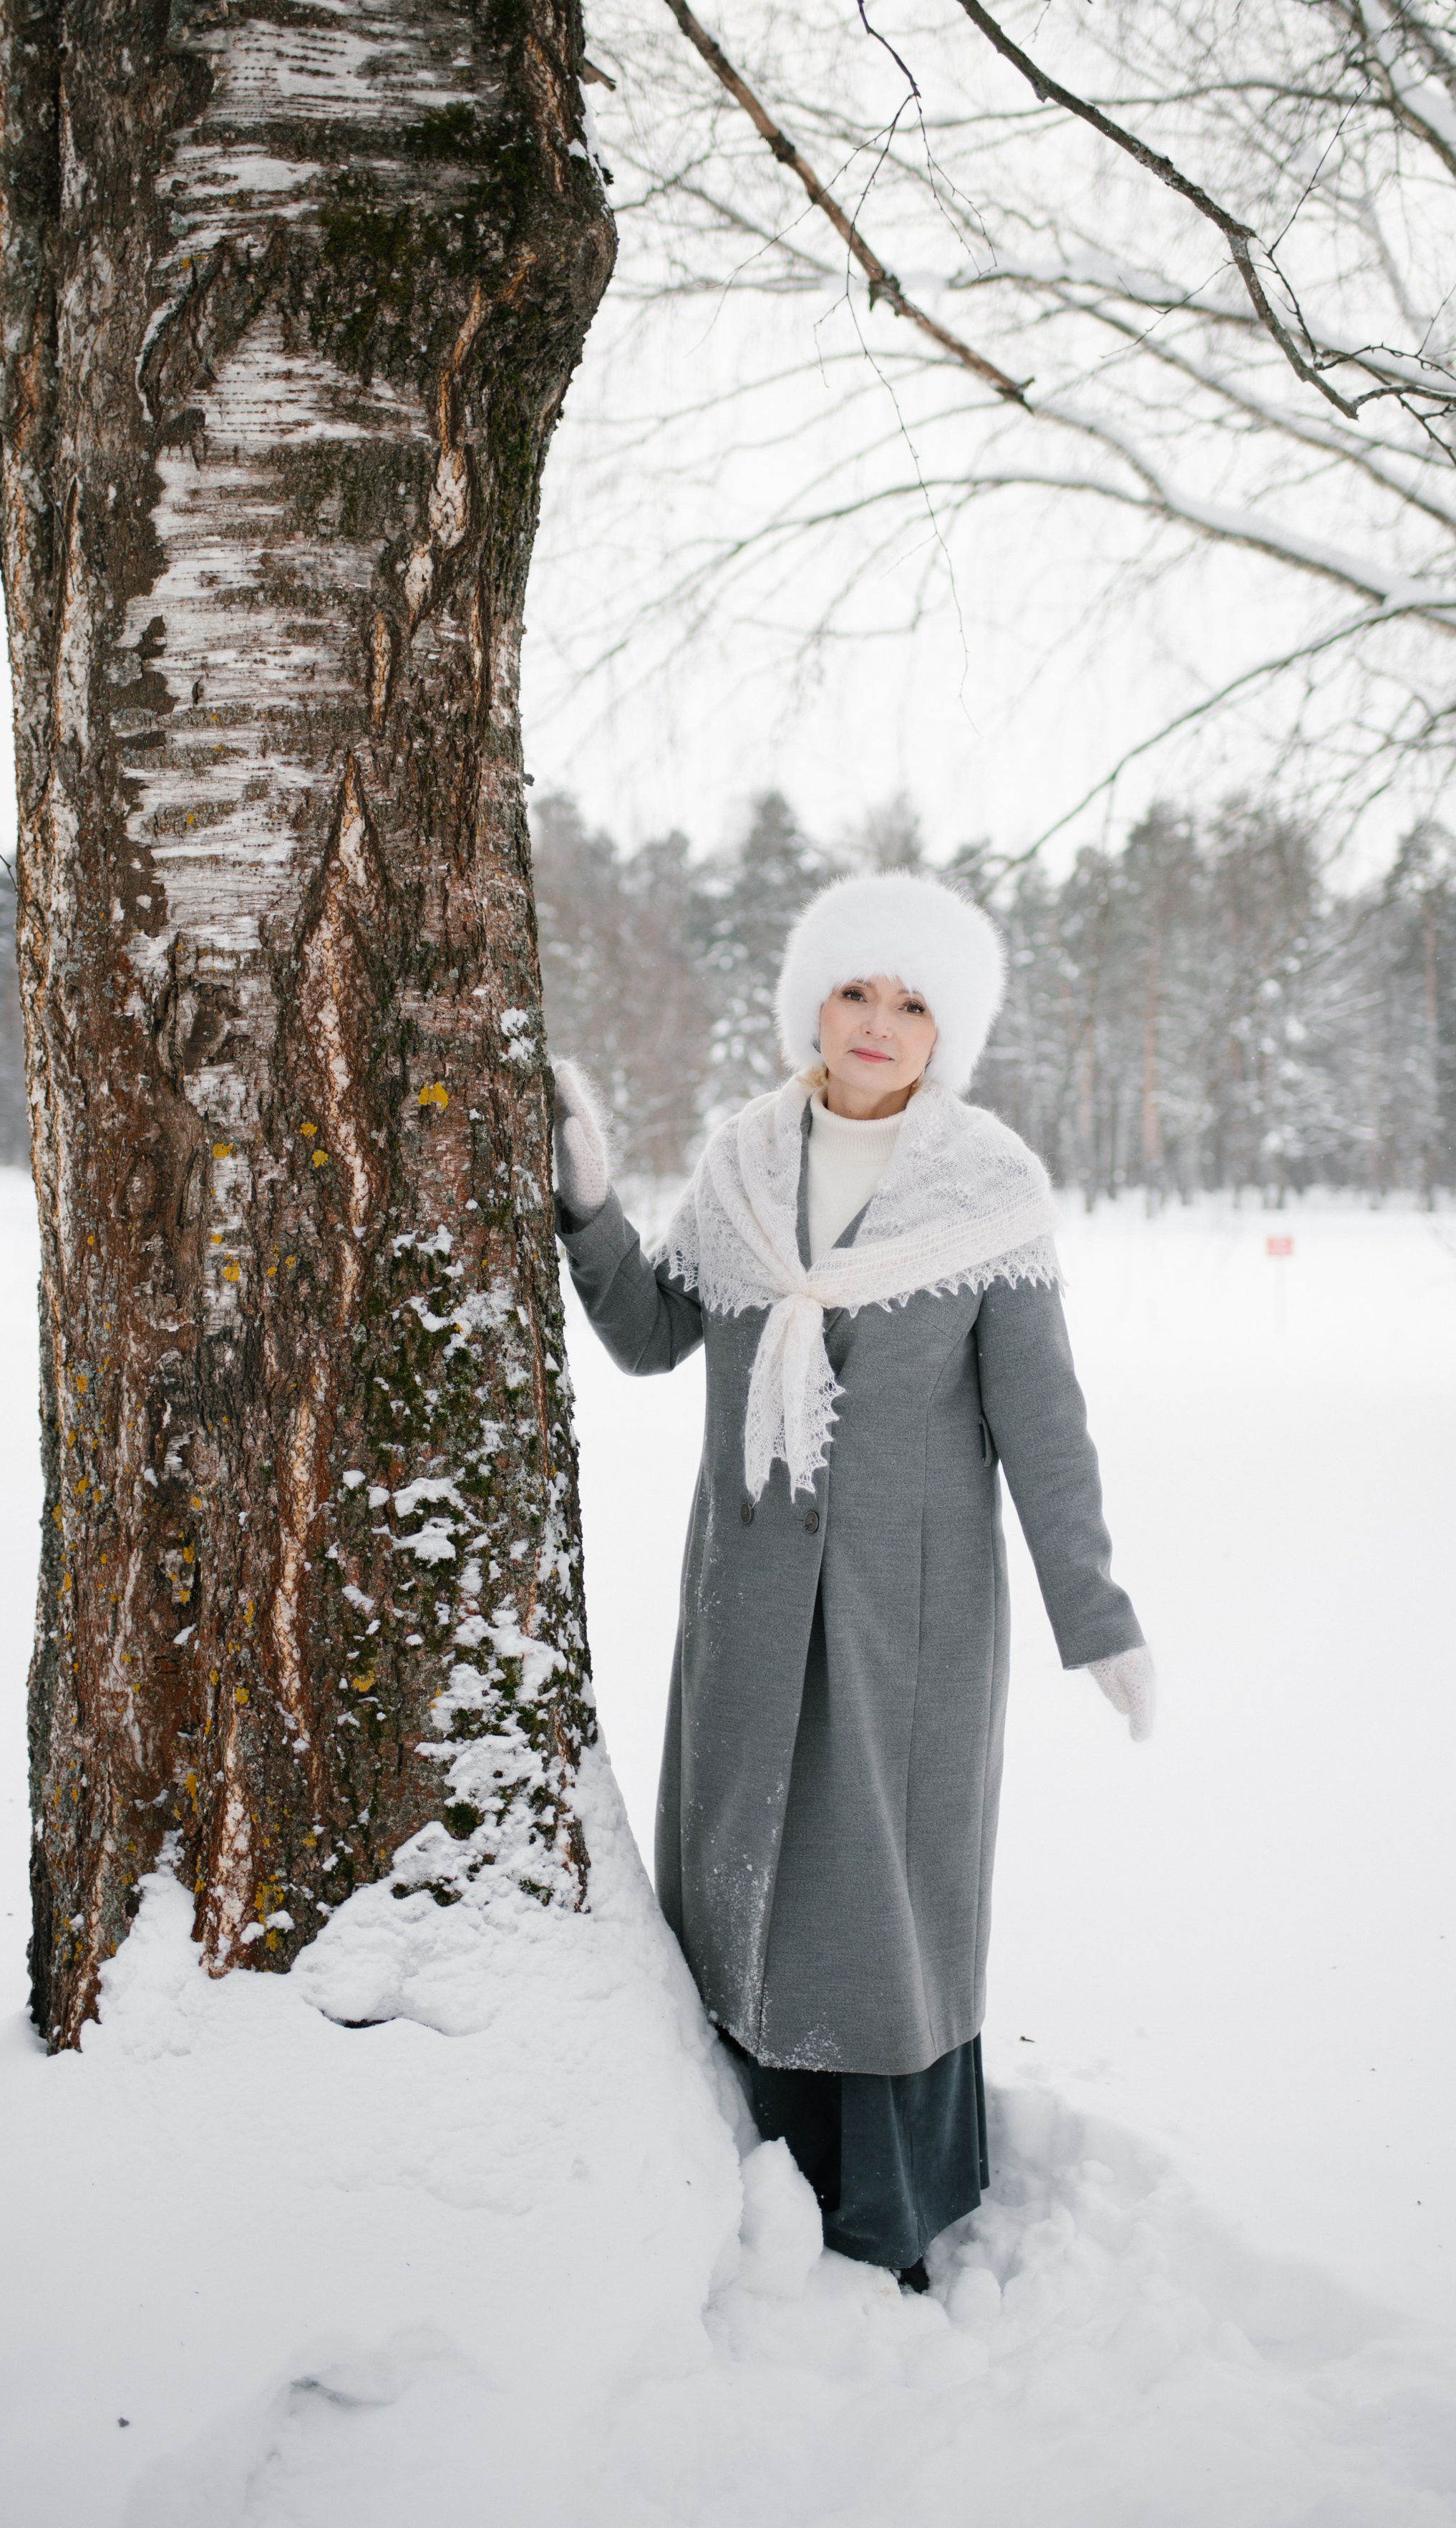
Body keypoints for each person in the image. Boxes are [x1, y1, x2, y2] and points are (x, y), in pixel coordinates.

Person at [550, 871, 1153, 2292]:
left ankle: (884, 2209)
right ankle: (736, 2171)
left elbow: (1041, 1432)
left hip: (910, 1627)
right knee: (742, 1881)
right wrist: (584, 1206)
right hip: (749, 1609)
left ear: (948, 1033)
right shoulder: (741, 1167)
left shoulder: (985, 1190)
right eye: (852, 991)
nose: (876, 1023)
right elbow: (651, 1334)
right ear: (807, 1006)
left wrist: (1096, 1616)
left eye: (910, 1002)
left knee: (881, 1904)